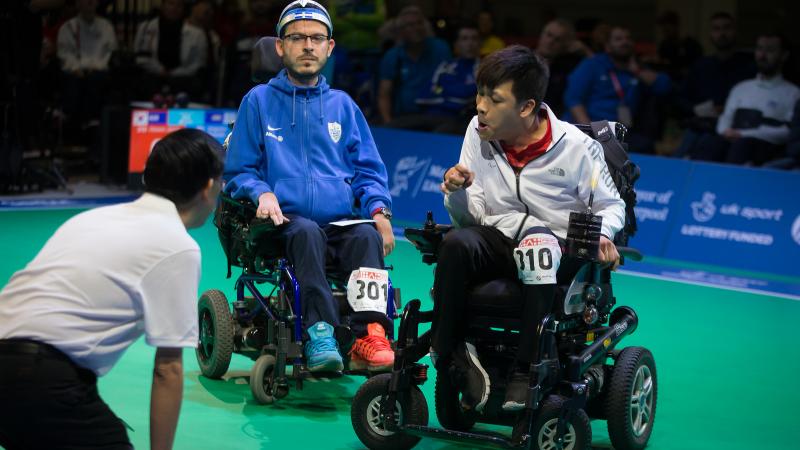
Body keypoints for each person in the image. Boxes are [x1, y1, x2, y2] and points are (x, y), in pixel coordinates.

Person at [0, 128, 224, 450]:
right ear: (208, 187)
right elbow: (168, 368)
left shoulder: (94, 217)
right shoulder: (178, 246)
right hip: (42, 380)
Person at [436, 45, 625, 413]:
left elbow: (611, 205)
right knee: (456, 242)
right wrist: (457, 193)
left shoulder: (577, 148)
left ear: (526, 107)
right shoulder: (478, 132)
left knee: (537, 247)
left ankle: (527, 369)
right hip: (497, 238)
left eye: (494, 99)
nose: (480, 106)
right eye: (480, 94)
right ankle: (451, 356)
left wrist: (605, 234)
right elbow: (470, 218)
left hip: (553, 247)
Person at [224, 0, 396, 373]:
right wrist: (261, 192)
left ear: (329, 47)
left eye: (317, 38)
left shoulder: (344, 106)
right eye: (297, 38)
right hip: (285, 222)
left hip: (339, 222)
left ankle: (372, 332)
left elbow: (369, 171)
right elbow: (238, 171)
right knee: (306, 233)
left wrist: (380, 213)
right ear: (280, 47)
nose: (307, 46)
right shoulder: (258, 102)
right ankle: (320, 333)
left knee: (366, 236)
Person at [691, 33, 800, 165]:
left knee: (742, 146)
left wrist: (745, 134)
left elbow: (789, 132)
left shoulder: (794, 93)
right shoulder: (741, 88)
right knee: (709, 142)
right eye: (759, 49)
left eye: (770, 50)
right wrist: (725, 131)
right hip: (733, 140)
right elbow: (726, 117)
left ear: (784, 55)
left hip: (763, 147)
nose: (763, 55)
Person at [563, 26, 671, 153]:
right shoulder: (592, 65)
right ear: (608, 46)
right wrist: (590, 135)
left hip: (622, 133)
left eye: (628, 38)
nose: (625, 42)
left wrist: (636, 70)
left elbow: (664, 87)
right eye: (618, 39)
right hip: (590, 131)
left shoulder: (637, 69)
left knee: (645, 148)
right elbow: (573, 100)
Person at [674, 12, 756, 157]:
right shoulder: (700, 66)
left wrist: (727, 110)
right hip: (701, 124)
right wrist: (699, 109)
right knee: (681, 155)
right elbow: (680, 99)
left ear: (735, 31)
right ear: (711, 34)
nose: (722, 33)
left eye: (726, 28)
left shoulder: (749, 67)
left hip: (734, 127)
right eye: (716, 29)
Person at [377, 5, 451, 125]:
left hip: (437, 115)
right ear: (400, 31)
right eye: (409, 25)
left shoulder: (441, 49)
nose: (416, 28)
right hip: (403, 116)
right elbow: (384, 95)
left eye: (419, 23)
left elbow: (452, 81)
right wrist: (388, 123)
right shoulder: (392, 56)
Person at [56, 0, 117, 126]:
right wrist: (76, 68)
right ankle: (70, 123)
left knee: (97, 80)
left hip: (99, 72)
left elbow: (109, 54)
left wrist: (95, 68)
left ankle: (94, 123)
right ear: (77, 3)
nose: (89, 2)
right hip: (73, 72)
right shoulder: (67, 27)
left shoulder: (107, 27)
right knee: (72, 82)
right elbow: (64, 54)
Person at [133, 0, 209, 98]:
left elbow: (198, 63)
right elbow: (140, 57)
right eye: (170, 3)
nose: (174, 8)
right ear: (163, 6)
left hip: (184, 80)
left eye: (179, 5)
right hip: (152, 77)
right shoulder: (146, 28)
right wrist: (160, 70)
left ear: (183, 9)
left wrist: (174, 73)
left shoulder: (197, 33)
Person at [414, 23, 480, 134]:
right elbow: (423, 95)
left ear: (479, 43)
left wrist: (443, 91)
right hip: (429, 115)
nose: (470, 43)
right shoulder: (445, 66)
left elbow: (464, 96)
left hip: (459, 120)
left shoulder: (484, 68)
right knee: (394, 126)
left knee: (436, 135)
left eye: (474, 39)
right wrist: (452, 94)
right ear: (456, 44)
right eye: (464, 39)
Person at [535, 18, 588, 118]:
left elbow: (599, 68)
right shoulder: (522, 59)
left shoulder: (568, 66)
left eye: (557, 40)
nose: (550, 41)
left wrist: (585, 50)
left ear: (565, 46)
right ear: (541, 34)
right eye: (549, 35)